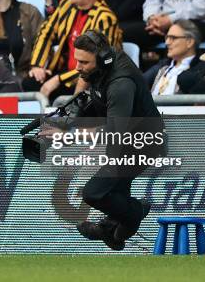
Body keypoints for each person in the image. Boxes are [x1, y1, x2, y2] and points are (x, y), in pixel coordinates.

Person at [69, 30, 164, 251]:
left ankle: (135, 211)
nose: (77, 67)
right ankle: (111, 230)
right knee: (113, 195)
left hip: (143, 144)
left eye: (84, 62)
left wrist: (71, 135)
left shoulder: (121, 83)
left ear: (102, 58)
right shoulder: (104, 69)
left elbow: (115, 133)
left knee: (94, 193)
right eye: (76, 60)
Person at [26, 0, 123, 101]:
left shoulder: (104, 18)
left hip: (90, 82)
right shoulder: (67, 2)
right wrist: (38, 65)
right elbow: (46, 31)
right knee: (30, 82)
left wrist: (59, 79)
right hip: (63, 73)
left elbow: (98, 65)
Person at [147, 19, 201, 95]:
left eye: (173, 38)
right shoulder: (162, 67)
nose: (167, 42)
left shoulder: (200, 71)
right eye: (167, 37)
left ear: (189, 42)